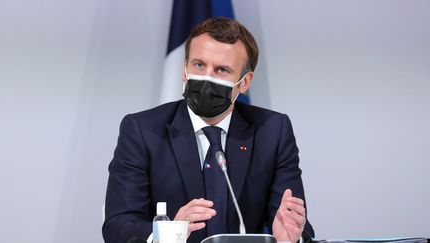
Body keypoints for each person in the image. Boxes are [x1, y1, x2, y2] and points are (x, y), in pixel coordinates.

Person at [103, 17, 315, 243]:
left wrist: (292, 238)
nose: (207, 77)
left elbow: (292, 222)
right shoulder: (143, 130)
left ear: (244, 82)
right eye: (199, 65)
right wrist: (170, 233)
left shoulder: (272, 131)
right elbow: (118, 226)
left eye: (222, 70)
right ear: (184, 69)